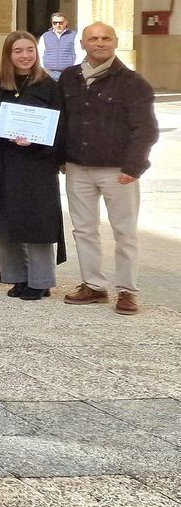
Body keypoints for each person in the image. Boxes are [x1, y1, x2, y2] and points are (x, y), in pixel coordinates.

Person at [60, 22, 158, 315]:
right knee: (84, 229)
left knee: (124, 231)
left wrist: (134, 167)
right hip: (78, 167)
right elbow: (61, 120)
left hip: (118, 171)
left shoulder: (132, 82)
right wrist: (60, 158)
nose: (99, 43)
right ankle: (93, 285)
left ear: (115, 42)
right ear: (82, 44)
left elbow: (146, 129)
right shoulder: (68, 78)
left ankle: (127, 291)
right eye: (93, 38)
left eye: (105, 38)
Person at [0, 31, 65, 301]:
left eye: (30, 49)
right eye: (18, 51)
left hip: (37, 163)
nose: (25, 55)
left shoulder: (49, 86)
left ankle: (40, 281)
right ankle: (16, 277)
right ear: (8, 55)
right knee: (6, 219)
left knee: (36, 220)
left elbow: (59, 126)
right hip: (4, 161)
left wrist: (36, 143)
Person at [39, 12, 79, 80]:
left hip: (68, 74)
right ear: (52, 23)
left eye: (60, 23)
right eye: (55, 23)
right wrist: (43, 69)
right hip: (48, 73)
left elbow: (79, 54)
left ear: (66, 23)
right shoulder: (45, 36)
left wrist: (74, 70)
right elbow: (39, 54)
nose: (58, 25)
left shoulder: (74, 36)